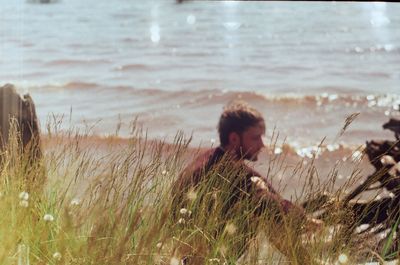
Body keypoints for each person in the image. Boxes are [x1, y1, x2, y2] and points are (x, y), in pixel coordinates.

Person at [171, 101, 322, 264]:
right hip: (201, 254)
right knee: (265, 215)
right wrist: (302, 220)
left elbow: (257, 183)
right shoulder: (220, 172)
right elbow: (262, 199)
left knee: (268, 205)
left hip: (195, 245)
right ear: (234, 138)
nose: (262, 145)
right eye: (256, 138)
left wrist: (297, 214)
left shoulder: (216, 157)